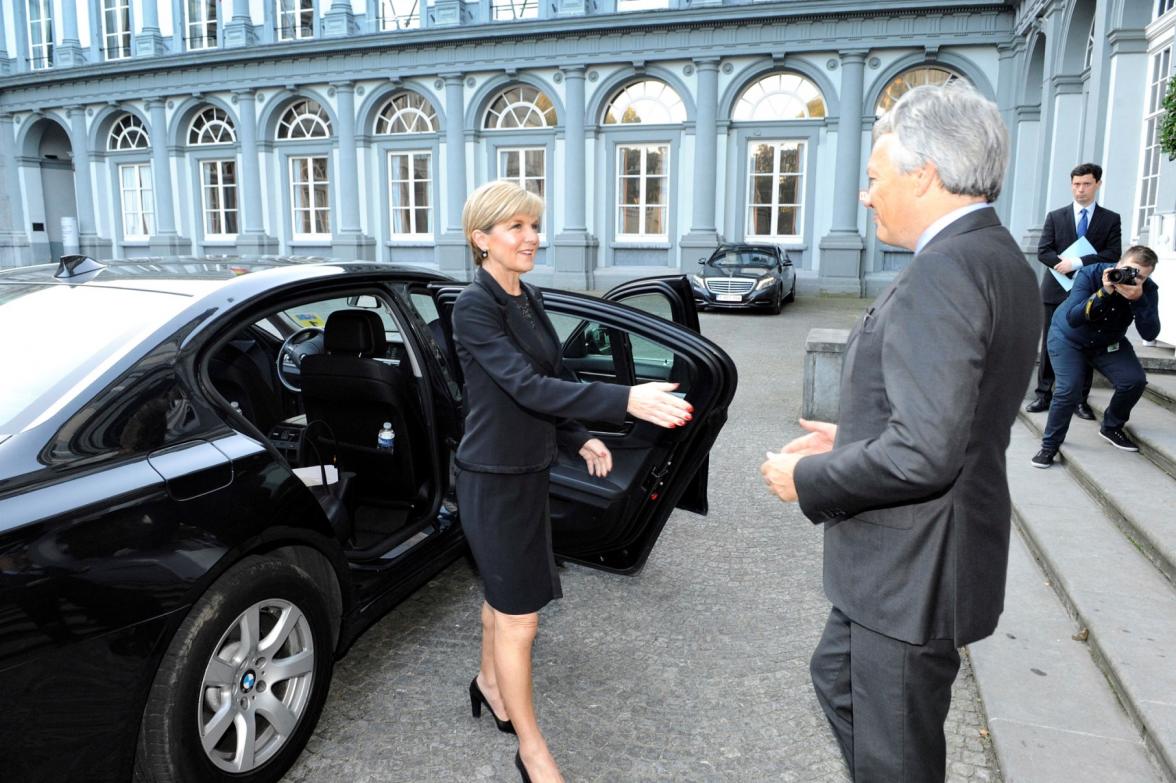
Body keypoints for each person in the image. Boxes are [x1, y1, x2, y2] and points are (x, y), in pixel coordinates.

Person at [759, 83, 1039, 782]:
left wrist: (810, 479)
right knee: (840, 682)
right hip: (920, 559)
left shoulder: (943, 271)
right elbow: (953, 412)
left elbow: (924, 450)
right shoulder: (996, 255)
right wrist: (850, 432)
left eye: (875, 177)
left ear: (926, 175)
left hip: (913, 563)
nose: (865, 194)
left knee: (895, 756)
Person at [451, 180, 691, 783]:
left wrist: (579, 433)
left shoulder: (525, 297)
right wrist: (627, 399)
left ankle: (486, 682)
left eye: (534, 225)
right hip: (491, 476)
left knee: (501, 599)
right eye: (516, 227)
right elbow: (524, 388)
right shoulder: (473, 306)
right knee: (520, 616)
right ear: (482, 239)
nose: (532, 237)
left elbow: (552, 374)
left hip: (530, 471)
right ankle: (532, 750)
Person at [1031, 245, 1161, 468]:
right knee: (1068, 389)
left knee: (1134, 381)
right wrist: (1105, 291)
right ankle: (1049, 446)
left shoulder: (1146, 289)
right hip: (1069, 338)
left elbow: (1150, 333)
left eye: (1139, 276)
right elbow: (1074, 317)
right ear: (1119, 264)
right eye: (1128, 270)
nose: (1131, 278)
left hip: (1107, 342)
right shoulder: (1091, 274)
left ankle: (1111, 426)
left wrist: (1139, 299)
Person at [1027, 163, 1122, 419]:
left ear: (1098, 184)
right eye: (1076, 184)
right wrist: (1063, 266)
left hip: (1089, 291)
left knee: (1085, 343)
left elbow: (1113, 254)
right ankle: (1043, 394)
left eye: (1086, 184)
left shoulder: (1110, 219)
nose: (1080, 190)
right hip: (1055, 289)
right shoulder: (1055, 216)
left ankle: (1080, 400)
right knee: (1049, 342)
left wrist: (1078, 263)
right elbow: (1043, 250)